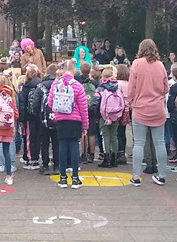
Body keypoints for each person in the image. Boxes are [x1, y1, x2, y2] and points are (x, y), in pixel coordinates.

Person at [127, 39, 170, 186]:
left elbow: (131, 86)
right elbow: (166, 88)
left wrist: (131, 101)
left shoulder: (137, 64)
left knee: (138, 143)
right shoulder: (160, 65)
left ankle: (136, 176)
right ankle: (162, 175)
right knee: (160, 143)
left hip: (140, 108)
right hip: (157, 108)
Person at [46, 58, 88, 188]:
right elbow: (83, 107)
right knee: (74, 147)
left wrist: (57, 112)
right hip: (75, 120)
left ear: (63, 69)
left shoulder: (56, 83)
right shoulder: (77, 85)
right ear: (74, 70)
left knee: (62, 147)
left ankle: (62, 178)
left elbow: (50, 103)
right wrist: (85, 126)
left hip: (61, 120)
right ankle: (75, 178)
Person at [97, 65, 126, 168]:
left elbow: (97, 102)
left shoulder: (101, 89)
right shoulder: (118, 89)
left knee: (105, 136)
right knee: (114, 136)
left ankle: (107, 158)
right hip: (116, 115)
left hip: (104, 116)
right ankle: (114, 158)